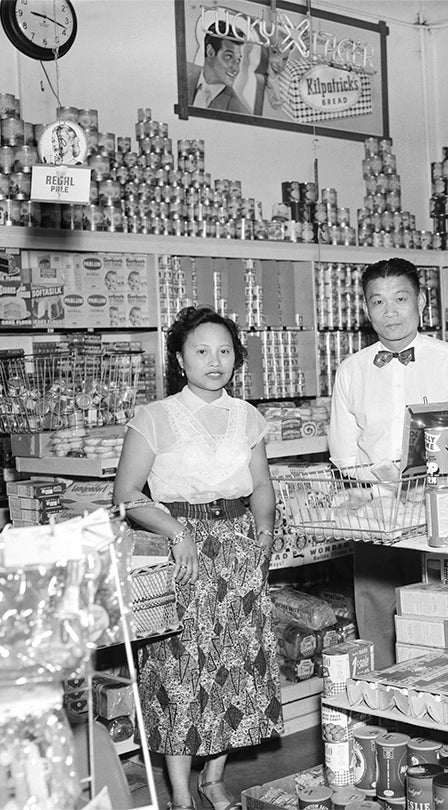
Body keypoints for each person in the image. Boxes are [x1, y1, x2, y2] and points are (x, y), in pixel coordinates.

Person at [114, 306, 281, 810]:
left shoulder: (248, 417)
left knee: (233, 666)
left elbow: (262, 484)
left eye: (225, 351)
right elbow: (126, 494)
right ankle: (182, 795)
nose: (215, 360)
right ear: (180, 360)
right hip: (179, 553)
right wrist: (175, 530)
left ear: (237, 359)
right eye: (202, 350)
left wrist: (266, 529)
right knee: (181, 670)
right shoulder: (155, 417)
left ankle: (214, 779)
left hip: (236, 551)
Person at [328, 258, 448, 667]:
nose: (389, 311)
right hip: (375, 520)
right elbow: (343, 454)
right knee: (376, 627)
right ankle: (380, 715)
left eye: (400, 298)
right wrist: (378, 480)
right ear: (365, 309)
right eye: (378, 301)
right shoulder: (351, 371)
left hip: (442, 518)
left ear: (422, 302)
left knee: (442, 625)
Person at [187, 24, 267, 115]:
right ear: (210, 52)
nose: (236, 68)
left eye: (238, 60)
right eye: (229, 57)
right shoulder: (180, 71)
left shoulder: (239, 113)